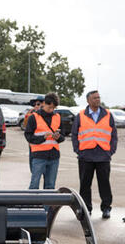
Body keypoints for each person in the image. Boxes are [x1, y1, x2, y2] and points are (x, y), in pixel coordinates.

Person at [71, 90, 118, 219]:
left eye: (98, 97)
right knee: (85, 184)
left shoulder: (108, 115)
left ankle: (106, 208)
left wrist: (110, 150)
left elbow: (114, 135)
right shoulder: (81, 115)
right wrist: (78, 150)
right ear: (88, 100)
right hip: (86, 155)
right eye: (94, 98)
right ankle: (86, 209)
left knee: (104, 183)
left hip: (103, 155)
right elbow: (74, 134)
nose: (97, 100)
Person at [25, 92, 64, 190]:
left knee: (50, 186)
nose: (51, 110)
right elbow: (28, 136)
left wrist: (58, 137)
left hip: (54, 156)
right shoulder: (33, 117)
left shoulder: (58, 117)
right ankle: (32, 205)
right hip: (39, 156)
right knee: (34, 185)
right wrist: (43, 138)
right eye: (49, 107)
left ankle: (47, 206)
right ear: (44, 104)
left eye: (53, 108)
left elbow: (63, 136)